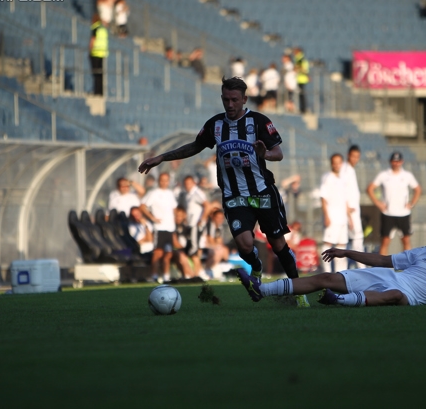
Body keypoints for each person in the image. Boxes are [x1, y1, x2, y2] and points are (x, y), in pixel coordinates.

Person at [137, 76, 310, 307]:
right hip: (234, 195)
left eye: (235, 100)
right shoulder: (215, 125)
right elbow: (194, 146)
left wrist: (264, 154)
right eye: (226, 99)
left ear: (244, 99)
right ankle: (256, 268)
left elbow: (278, 152)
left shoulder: (258, 122)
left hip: (262, 193)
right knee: (245, 244)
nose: (230, 105)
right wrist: (162, 157)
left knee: (278, 245)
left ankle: (299, 290)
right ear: (221, 98)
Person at [236, 214, 426, 306]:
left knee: (395, 296)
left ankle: (338, 301)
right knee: (325, 277)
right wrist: (346, 253)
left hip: (407, 294)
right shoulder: (423, 252)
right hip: (386, 278)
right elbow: (383, 260)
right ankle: (261, 290)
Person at [367, 151, 421, 255]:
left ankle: (407, 267)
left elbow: (417, 189)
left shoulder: (407, 175)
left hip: (403, 213)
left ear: (402, 162)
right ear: (390, 162)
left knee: (406, 240)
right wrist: (378, 204)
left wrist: (411, 203)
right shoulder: (384, 175)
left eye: (398, 161)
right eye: (394, 161)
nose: (396, 163)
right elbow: (370, 189)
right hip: (388, 213)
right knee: (385, 241)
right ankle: (382, 268)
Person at [140, 172, 178, 283]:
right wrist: (152, 218)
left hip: (170, 228)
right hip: (160, 228)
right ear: (158, 181)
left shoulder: (170, 194)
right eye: (162, 180)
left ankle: (166, 276)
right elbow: (142, 206)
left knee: (168, 254)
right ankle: (154, 276)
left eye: (166, 180)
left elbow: (174, 208)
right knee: (158, 253)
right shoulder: (153, 193)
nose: (164, 182)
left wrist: (175, 220)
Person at [320, 153, 352, 273]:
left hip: (342, 218)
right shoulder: (328, 177)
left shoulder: (343, 179)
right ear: (331, 163)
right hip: (332, 217)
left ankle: (341, 274)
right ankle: (326, 272)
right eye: (335, 162)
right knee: (328, 243)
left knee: (342, 246)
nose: (337, 165)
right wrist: (326, 216)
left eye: (339, 162)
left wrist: (350, 218)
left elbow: (345, 200)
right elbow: (323, 198)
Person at [341, 145, 365, 268]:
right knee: (355, 239)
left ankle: (358, 267)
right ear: (348, 155)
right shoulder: (345, 170)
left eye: (357, 157)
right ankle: (361, 268)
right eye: (353, 156)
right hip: (349, 211)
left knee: (355, 239)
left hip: (352, 211)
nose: (355, 159)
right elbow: (342, 190)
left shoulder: (350, 169)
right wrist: (348, 212)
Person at [90, 13, 109, 96]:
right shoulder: (103, 29)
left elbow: (93, 40)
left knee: (96, 74)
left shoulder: (95, 28)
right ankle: (101, 92)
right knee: (100, 74)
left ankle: (97, 91)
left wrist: (90, 49)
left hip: (95, 53)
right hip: (103, 53)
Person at [293, 47, 310, 114]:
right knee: (301, 95)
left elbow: (304, 69)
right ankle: (302, 108)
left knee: (302, 95)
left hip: (301, 79)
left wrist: (297, 69)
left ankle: (303, 109)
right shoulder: (299, 59)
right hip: (300, 78)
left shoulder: (300, 60)